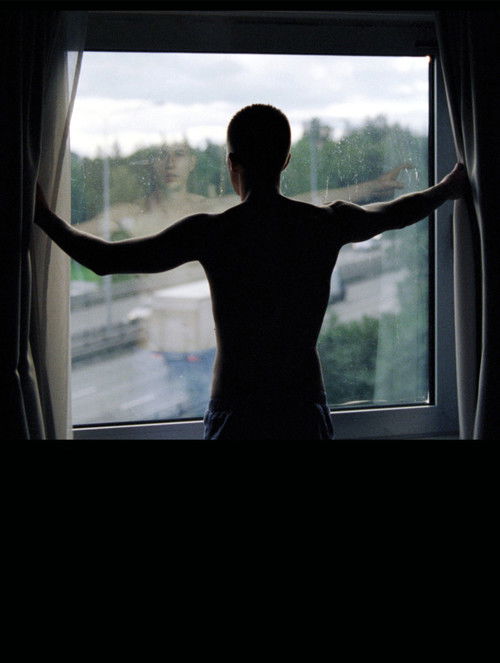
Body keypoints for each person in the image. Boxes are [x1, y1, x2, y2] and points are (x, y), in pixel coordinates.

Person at [34, 104, 468, 440]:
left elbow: (106, 259)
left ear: (231, 163)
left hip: (237, 409)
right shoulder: (324, 224)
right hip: (301, 406)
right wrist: (446, 189)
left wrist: (43, 216)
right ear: (286, 160)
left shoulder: (213, 232)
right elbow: (395, 212)